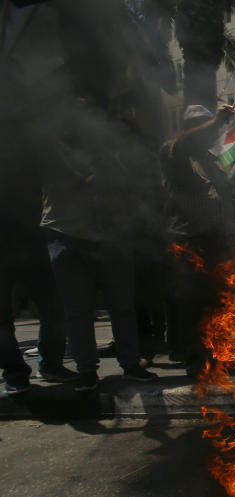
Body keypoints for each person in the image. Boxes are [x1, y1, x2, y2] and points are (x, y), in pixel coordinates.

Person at [42, 97, 157, 391]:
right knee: (78, 311)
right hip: (67, 235)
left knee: (123, 306)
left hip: (110, 238)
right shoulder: (54, 148)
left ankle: (130, 364)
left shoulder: (108, 153)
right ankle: (87, 371)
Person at [161, 104, 235, 378]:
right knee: (191, 303)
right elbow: (185, 141)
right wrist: (216, 121)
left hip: (214, 238)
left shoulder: (209, 158)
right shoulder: (174, 151)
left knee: (217, 300)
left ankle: (218, 357)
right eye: (202, 125)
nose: (209, 130)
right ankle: (195, 362)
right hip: (187, 240)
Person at [1, 145, 75, 393]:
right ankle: (15, 372)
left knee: (53, 308)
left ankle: (51, 364)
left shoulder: (28, 157)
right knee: (2, 319)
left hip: (33, 247)